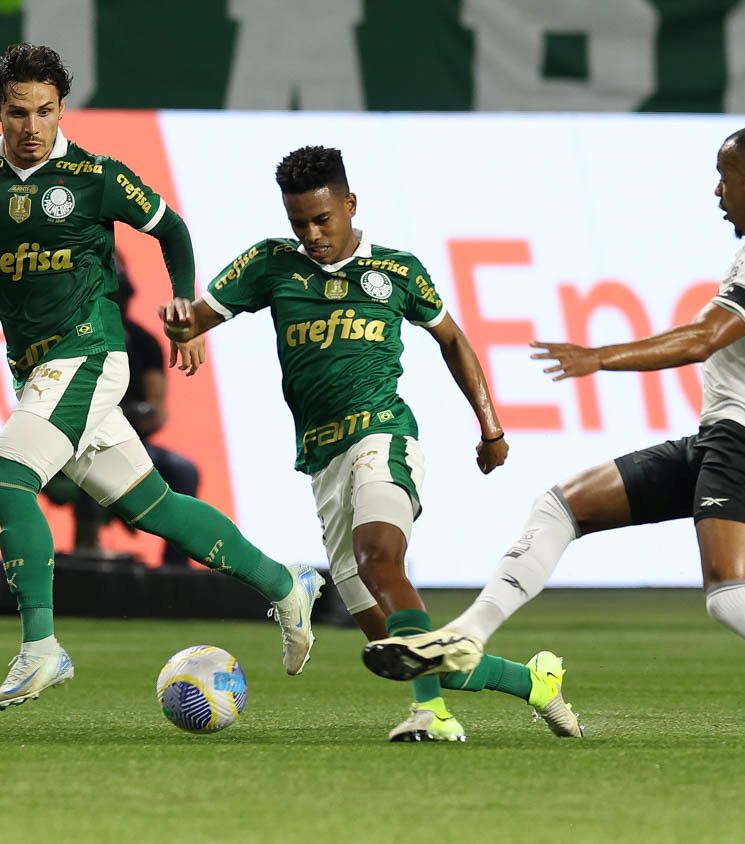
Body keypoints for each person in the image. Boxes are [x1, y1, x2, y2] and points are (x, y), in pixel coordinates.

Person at [362, 123, 745, 750]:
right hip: (736, 436)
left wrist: (599, 357)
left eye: (724, 180)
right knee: (562, 505)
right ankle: (468, 635)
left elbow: (702, 338)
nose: (717, 193)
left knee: (734, 597)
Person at [0, 44, 321, 711]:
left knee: (7, 479)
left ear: (62, 110)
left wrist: (185, 305)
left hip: (91, 353)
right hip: (35, 366)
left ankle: (41, 648)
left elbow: (173, 230)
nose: (32, 126)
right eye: (18, 112)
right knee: (152, 506)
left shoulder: (95, 175)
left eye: (45, 111)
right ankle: (285, 584)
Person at [160, 146, 583, 743]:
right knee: (398, 647)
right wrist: (181, 321)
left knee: (379, 558)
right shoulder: (270, 264)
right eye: (299, 223)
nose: (311, 235)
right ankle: (535, 683)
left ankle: (431, 716)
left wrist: (490, 427)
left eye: (321, 220)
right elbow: (195, 319)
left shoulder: (396, 271)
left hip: (382, 437)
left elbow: (453, 340)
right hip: (323, 460)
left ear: (350, 204)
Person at [0, 256, 201, 567]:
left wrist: (121, 416)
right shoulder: (59, 336)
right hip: (61, 443)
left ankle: (174, 575)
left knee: (183, 472)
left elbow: (157, 413)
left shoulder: (144, 344)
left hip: (124, 441)